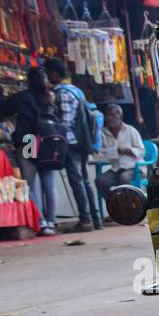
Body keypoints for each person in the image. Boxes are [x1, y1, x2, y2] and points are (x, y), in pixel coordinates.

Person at [0, 67, 62, 236]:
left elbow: (1, 111)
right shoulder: (50, 98)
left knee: (30, 182)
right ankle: (52, 221)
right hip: (48, 141)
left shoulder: (23, 97)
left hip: (29, 140)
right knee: (49, 182)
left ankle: (41, 221)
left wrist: (1, 96)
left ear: (28, 81)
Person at [43, 58, 99, 232]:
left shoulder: (62, 93)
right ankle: (94, 219)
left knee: (77, 181)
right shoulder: (75, 90)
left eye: (47, 74)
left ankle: (85, 220)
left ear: (53, 74)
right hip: (82, 142)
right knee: (84, 181)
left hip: (71, 143)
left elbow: (65, 123)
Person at [93, 104, 144, 210]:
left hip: (133, 167)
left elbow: (141, 151)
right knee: (100, 181)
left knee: (124, 178)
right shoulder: (103, 133)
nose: (110, 118)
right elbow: (98, 152)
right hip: (116, 168)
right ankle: (114, 207)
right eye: (108, 115)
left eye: (113, 115)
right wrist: (113, 151)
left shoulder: (131, 130)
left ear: (120, 116)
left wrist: (128, 150)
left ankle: (131, 209)